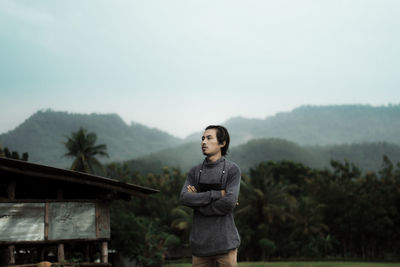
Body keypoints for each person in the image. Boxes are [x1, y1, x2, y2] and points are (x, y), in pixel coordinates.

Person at [180, 125, 241, 267]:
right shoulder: (194, 172)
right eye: (202, 138)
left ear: (222, 143)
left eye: (209, 138)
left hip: (225, 245)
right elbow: (184, 197)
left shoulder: (232, 170)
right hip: (200, 247)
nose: (203, 142)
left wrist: (198, 203)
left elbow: (229, 203)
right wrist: (218, 193)